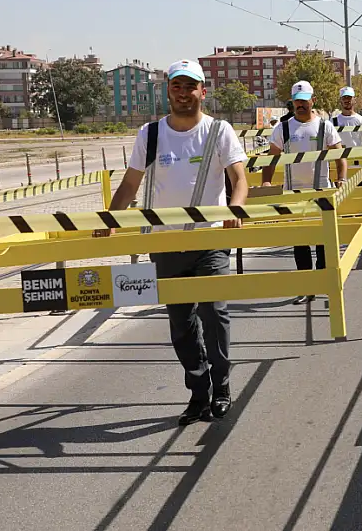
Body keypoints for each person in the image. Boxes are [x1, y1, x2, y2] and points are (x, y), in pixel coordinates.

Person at [95, 59, 248, 425]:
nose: (183, 93)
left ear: (202, 92)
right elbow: (131, 184)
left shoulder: (219, 131)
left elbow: (240, 179)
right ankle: (198, 393)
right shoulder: (150, 135)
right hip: (165, 244)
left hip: (209, 240)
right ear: (168, 92)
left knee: (214, 314)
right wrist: (111, 220)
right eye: (177, 87)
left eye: (190, 86)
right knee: (181, 324)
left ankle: (222, 386)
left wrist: (235, 208)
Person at [262, 81, 347, 304]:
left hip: (321, 191)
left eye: (304, 101)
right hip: (294, 193)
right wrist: (266, 182)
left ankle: (322, 281)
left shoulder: (325, 126)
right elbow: (271, 159)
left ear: (313, 101)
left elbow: (339, 154)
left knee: (322, 242)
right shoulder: (283, 128)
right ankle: (307, 287)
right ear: (293, 102)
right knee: (300, 242)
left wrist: (341, 178)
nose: (301, 105)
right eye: (297, 101)